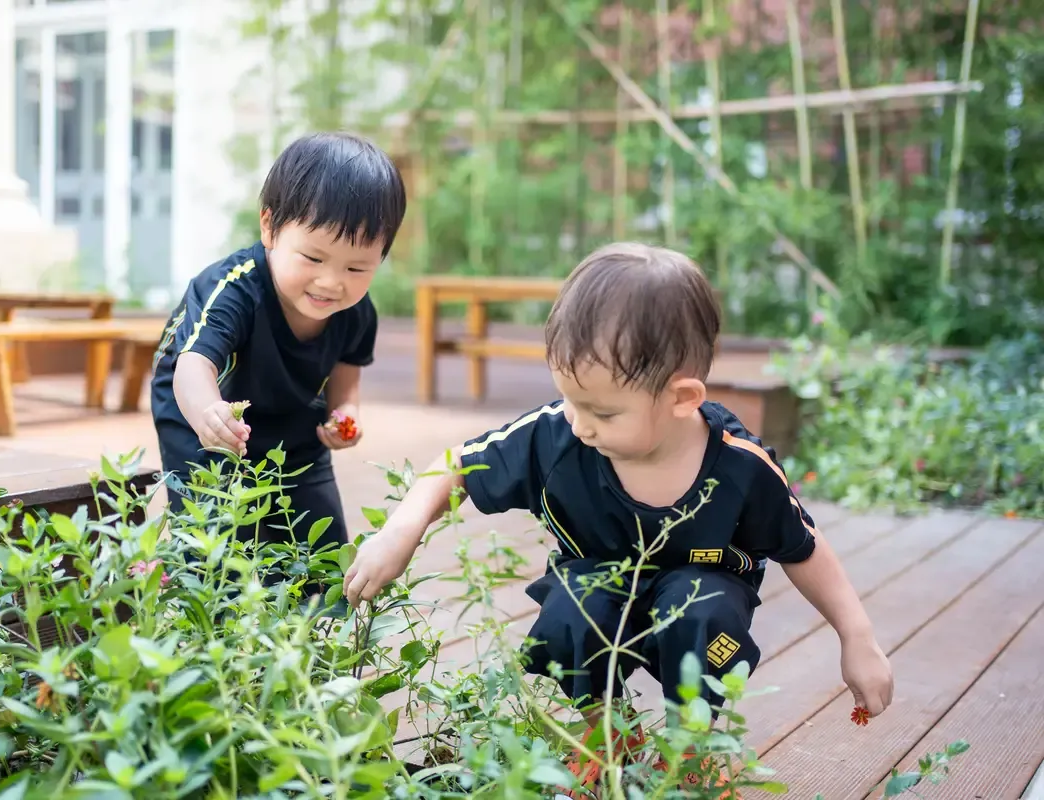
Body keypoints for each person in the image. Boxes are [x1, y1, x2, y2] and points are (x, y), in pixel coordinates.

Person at [341, 242, 894, 794]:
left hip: (703, 593)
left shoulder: (739, 468)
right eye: (568, 399)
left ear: (682, 398)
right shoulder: (559, 435)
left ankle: (693, 750)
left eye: (603, 411)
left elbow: (803, 546)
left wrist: (857, 637)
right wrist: (401, 531)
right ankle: (606, 738)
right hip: (601, 583)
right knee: (567, 617)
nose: (579, 424)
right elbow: (456, 467)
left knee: (698, 613)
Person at [150, 131, 406, 554]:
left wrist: (345, 414)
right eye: (313, 258)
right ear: (270, 227)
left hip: (292, 410)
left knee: (320, 547)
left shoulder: (357, 311)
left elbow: (346, 371)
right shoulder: (232, 289)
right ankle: (224, 608)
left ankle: (317, 609)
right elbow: (193, 365)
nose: (331, 282)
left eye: (357, 268)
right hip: (205, 409)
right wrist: (210, 415)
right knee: (216, 542)